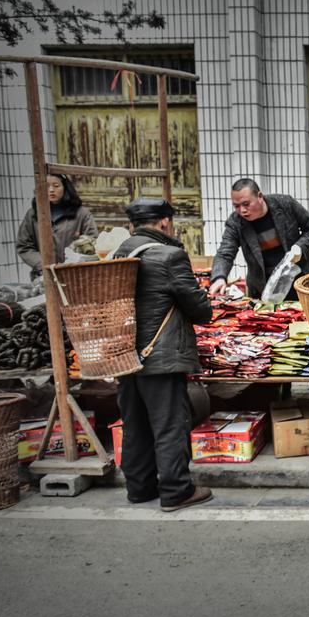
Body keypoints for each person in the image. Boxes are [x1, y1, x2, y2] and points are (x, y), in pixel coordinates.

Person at [114, 198, 214, 512]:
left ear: (132, 225)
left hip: (125, 354)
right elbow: (201, 310)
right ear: (164, 222)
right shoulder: (170, 256)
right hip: (162, 356)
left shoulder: (118, 254)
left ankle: (140, 488)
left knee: (135, 424)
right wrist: (203, 295)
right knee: (170, 424)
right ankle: (176, 490)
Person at [209, 178, 309, 299]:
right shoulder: (236, 222)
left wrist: (299, 247)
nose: (242, 210)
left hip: (298, 280)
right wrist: (219, 277)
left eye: (246, 204)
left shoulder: (285, 204)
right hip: (262, 287)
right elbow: (225, 252)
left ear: (260, 196)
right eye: (236, 206)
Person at [16, 174, 98, 279]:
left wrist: (75, 261)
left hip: (76, 275)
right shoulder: (33, 214)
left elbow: (93, 241)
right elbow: (24, 246)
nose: (51, 190)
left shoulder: (81, 213)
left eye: (56, 186)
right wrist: (42, 264)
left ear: (65, 188)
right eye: (46, 186)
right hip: (44, 275)